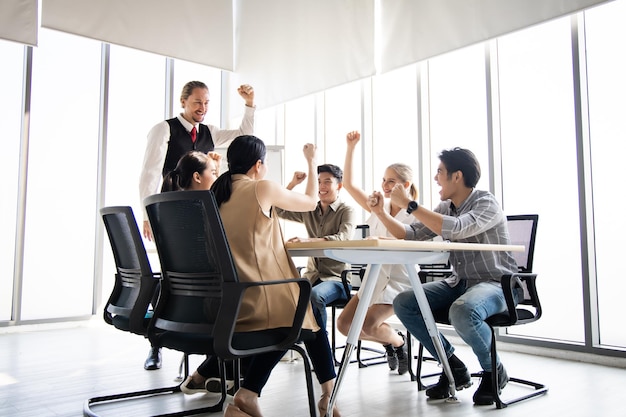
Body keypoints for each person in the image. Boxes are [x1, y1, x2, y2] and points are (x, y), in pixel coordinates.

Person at [182, 136, 341, 417]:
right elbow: (309, 201)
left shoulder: (216, 195)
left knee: (309, 307)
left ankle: (260, 394)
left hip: (223, 306)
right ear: (258, 165)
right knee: (307, 312)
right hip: (256, 302)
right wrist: (311, 160)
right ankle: (321, 394)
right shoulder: (261, 188)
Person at [366, 147, 518, 406]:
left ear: (457, 176)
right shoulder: (446, 207)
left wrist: (411, 205)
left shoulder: (485, 202)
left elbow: (458, 229)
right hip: (459, 283)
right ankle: (452, 366)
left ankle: (495, 371)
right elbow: (411, 233)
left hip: (497, 284)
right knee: (405, 302)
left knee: (463, 310)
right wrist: (382, 213)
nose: (436, 179)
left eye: (440, 172)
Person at [138, 81, 254, 370]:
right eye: (197, 102)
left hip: (200, 216)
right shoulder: (164, 129)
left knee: (201, 280)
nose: (202, 108)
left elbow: (243, 135)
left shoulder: (209, 133)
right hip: (170, 215)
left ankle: (201, 343)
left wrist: (250, 105)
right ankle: (157, 343)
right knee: (171, 278)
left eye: (206, 103)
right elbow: (150, 172)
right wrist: (148, 214)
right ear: (183, 102)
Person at [335, 130, 413, 375]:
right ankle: (392, 339)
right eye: (384, 180)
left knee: (368, 324)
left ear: (406, 184)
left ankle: (398, 342)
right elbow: (347, 184)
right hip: (373, 279)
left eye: (391, 181)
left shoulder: (415, 213)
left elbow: (403, 238)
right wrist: (351, 147)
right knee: (345, 325)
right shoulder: (379, 205)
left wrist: (381, 235)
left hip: (398, 283)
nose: (385, 186)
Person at [274, 164, 357, 332]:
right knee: (282, 294)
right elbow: (277, 209)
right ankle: (295, 341)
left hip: (337, 279)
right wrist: (292, 184)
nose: (321, 186)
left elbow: (343, 238)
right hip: (311, 276)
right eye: (318, 182)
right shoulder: (309, 209)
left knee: (313, 296)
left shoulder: (347, 210)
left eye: (327, 181)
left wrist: (308, 241)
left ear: (339, 185)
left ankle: (320, 342)